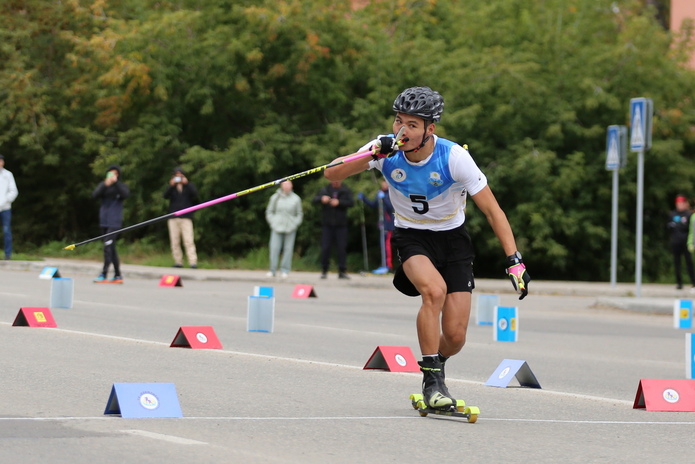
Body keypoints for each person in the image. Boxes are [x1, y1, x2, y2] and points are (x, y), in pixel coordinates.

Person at [324, 86, 530, 410]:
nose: (402, 131)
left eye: (412, 125)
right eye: (398, 121)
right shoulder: (385, 150)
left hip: (453, 239)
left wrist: (514, 260)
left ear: (430, 129)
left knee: (457, 336)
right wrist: (371, 155)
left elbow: (493, 211)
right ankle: (432, 381)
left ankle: (437, 363)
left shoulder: (453, 157)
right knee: (433, 291)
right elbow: (331, 172)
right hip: (411, 236)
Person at [92, 165, 130, 283]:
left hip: (115, 221)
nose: (112, 176)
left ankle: (104, 274)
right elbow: (94, 195)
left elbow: (126, 194)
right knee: (111, 248)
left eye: (115, 174)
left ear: (118, 175)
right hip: (104, 220)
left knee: (107, 247)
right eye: (110, 173)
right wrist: (105, 184)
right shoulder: (104, 186)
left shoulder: (121, 187)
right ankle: (118, 275)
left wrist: (116, 183)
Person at [312, 179, 354, 279]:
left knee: (342, 248)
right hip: (327, 224)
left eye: (337, 181)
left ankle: (342, 271)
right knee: (325, 247)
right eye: (334, 181)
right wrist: (322, 199)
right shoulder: (325, 190)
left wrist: (339, 202)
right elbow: (314, 200)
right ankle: (324, 270)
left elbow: (351, 203)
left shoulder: (345, 190)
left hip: (341, 225)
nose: (335, 182)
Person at [265, 180, 303, 278]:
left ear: (291, 185)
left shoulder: (296, 199)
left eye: (288, 184)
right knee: (274, 248)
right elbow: (269, 211)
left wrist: (295, 224)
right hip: (276, 226)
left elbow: (299, 214)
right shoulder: (275, 197)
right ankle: (272, 270)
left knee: (288, 249)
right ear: (281, 185)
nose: (286, 186)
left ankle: (285, 270)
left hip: (290, 227)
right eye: (285, 184)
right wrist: (273, 222)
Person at [164, 167, 199, 269]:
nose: (178, 177)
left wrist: (186, 183)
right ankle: (178, 261)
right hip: (173, 217)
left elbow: (195, 195)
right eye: (176, 176)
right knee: (175, 241)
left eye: (180, 175)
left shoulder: (189, 186)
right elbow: (164, 196)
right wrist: (171, 186)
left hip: (186, 217)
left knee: (188, 240)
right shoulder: (172, 188)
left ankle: (192, 262)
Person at [359, 179, 395, 273]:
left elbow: (391, 207)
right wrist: (364, 199)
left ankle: (388, 266)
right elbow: (373, 205)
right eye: (383, 183)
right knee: (382, 245)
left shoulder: (391, 194)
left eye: (385, 183)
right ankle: (383, 264)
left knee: (387, 245)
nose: (384, 185)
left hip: (388, 224)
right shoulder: (380, 194)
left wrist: (383, 198)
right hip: (381, 224)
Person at [670, 195, 695, 290]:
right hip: (676, 242)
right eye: (678, 203)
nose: (679, 205)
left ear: (685, 204)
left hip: (686, 242)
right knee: (677, 263)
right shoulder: (672, 214)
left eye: (681, 203)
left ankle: (693, 281)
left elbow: (692, 230)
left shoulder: (689, 215)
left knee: (689, 262)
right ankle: (679, 283)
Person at [0, 155, 18, 260]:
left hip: (5, 208)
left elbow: (13, 191)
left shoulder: (8, 174)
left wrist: (3, 202)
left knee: (6, 230)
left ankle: (8, 255)